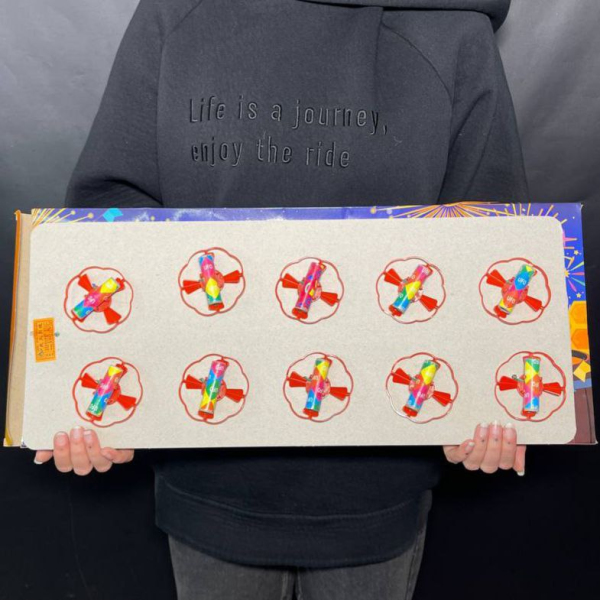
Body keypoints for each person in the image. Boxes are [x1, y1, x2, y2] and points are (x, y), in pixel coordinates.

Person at [34, 1, 527, 598]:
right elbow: (108, 215)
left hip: (379, 491)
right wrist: (93, 394)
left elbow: (492, 238)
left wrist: (488, 399)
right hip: (205, 472)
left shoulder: (455, 31)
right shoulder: (175, 13)